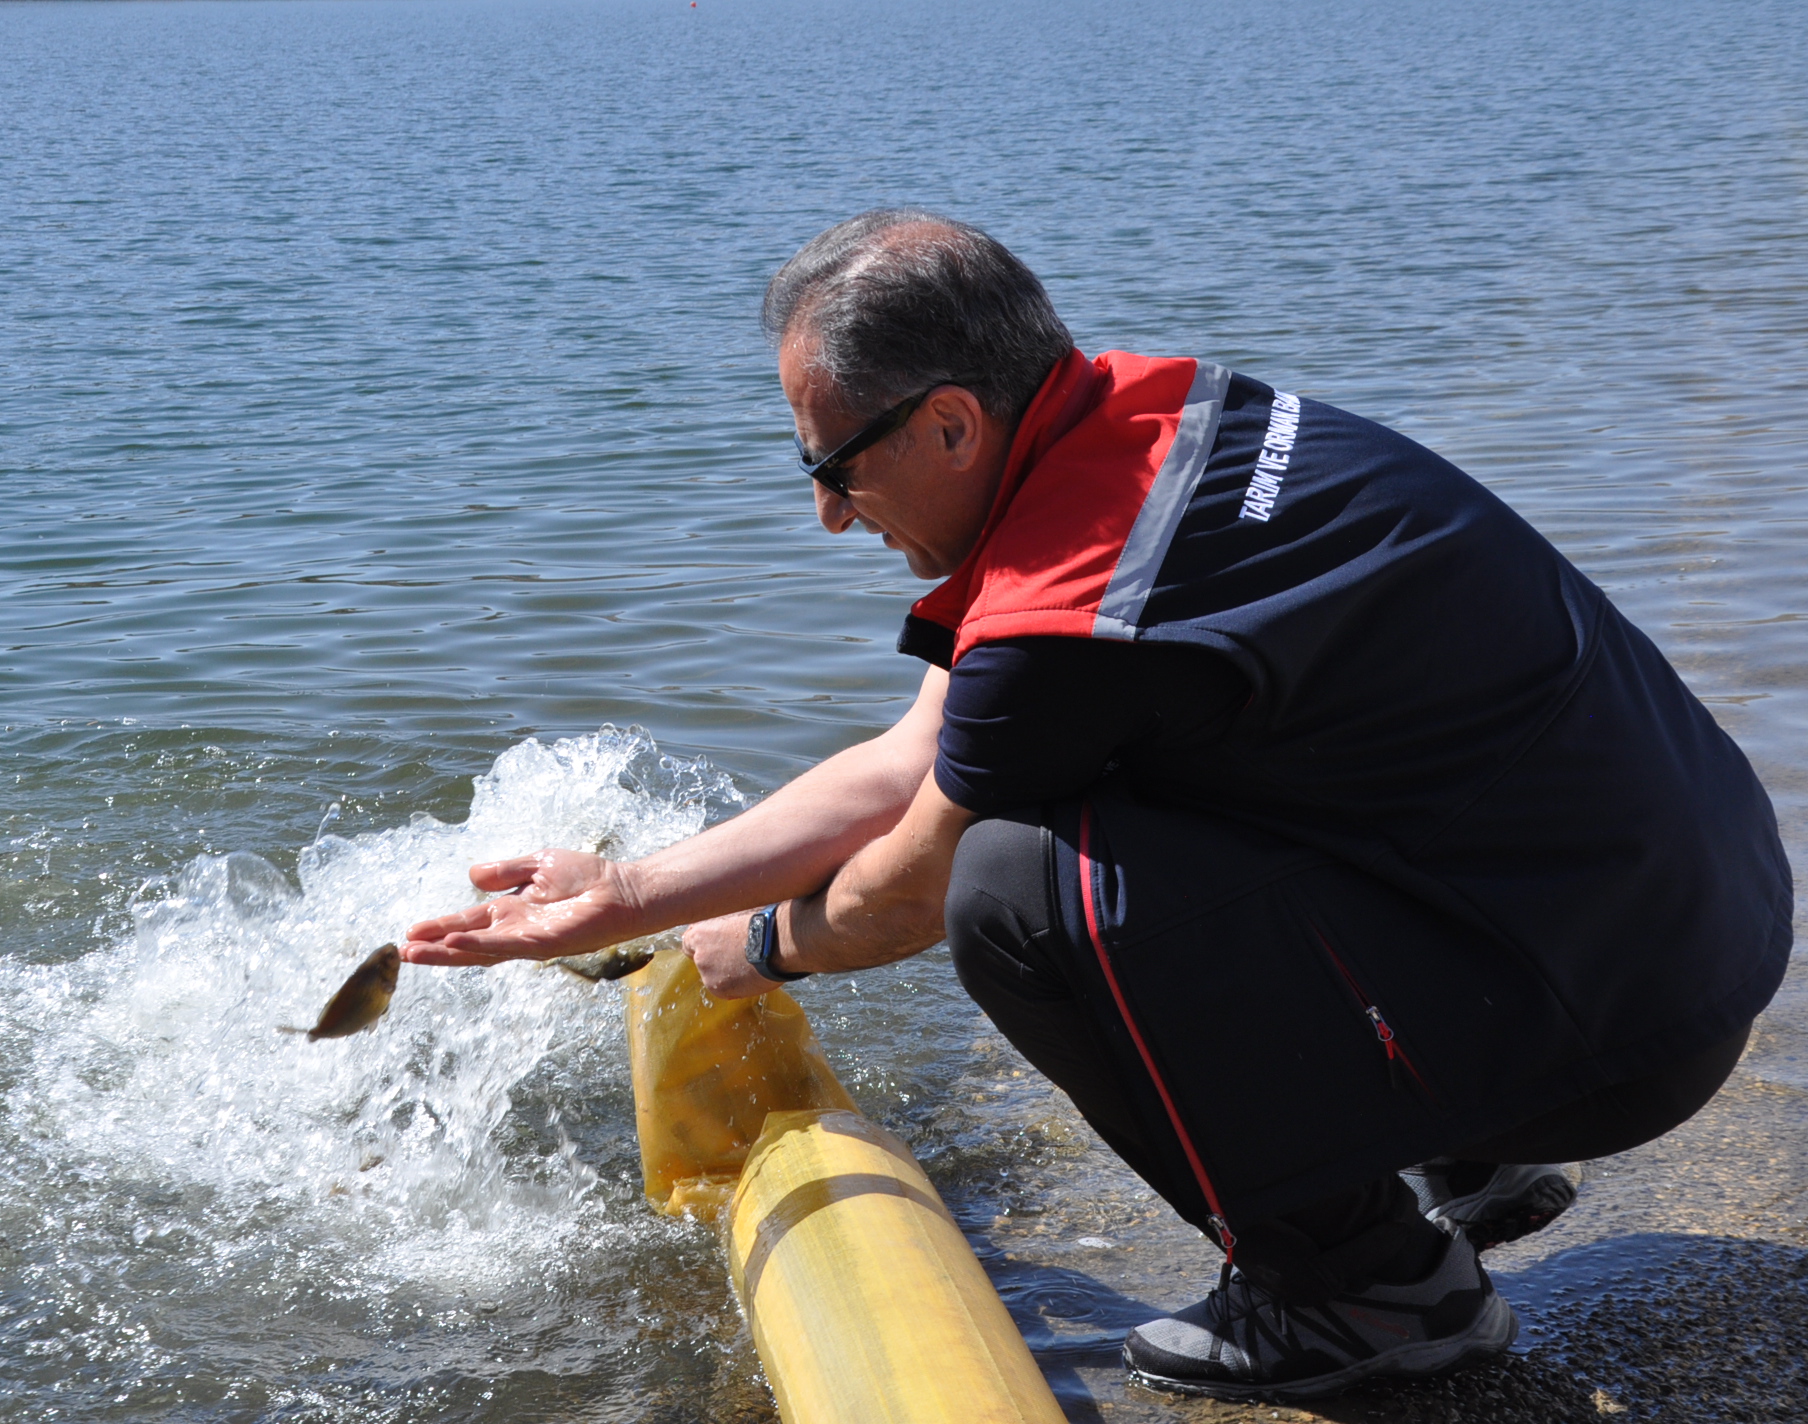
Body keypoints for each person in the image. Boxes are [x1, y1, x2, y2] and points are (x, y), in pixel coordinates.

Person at [402, 211, 1791, 1401]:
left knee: (1014, 887)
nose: (831, 513)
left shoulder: (1072, 608)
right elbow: (914, 756)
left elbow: (911, 885)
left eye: (833, 464)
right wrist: (636, 892)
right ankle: (1461, 1145)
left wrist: (755, 950)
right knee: (1159, 766)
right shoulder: (1151, 420)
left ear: (951, 420)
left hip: (1622, 1028)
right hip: (1689, 922)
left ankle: (1364, 1289)